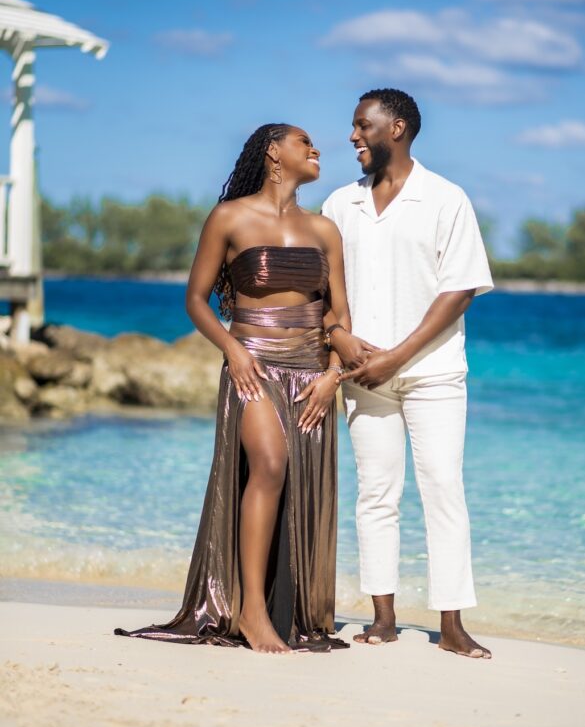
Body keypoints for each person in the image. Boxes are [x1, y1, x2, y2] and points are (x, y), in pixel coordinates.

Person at [116, 123, 367, 654]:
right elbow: (196, 300)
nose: (316, 148)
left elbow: (337, 314)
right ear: (274, 152)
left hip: (309, 372)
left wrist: (331, 378)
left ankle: (279, 606)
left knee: (292, 486)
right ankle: (252, 609)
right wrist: (232, 350)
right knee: (270, 465)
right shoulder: (229, 217)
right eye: (304, 141)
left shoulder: (324, 229)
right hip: (251, 363)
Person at [322, 89, 494, 658]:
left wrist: (396, 356)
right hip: (361, 374)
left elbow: (459, 289)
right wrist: (343, 342)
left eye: (360, 125)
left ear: (395, 128)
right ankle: (383, 617)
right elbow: (324, 288)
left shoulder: (445, 198)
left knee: (443, 488)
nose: (351, 137)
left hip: (434, 372)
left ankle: (451, 624)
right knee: (376, 494)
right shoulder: (339, 205)